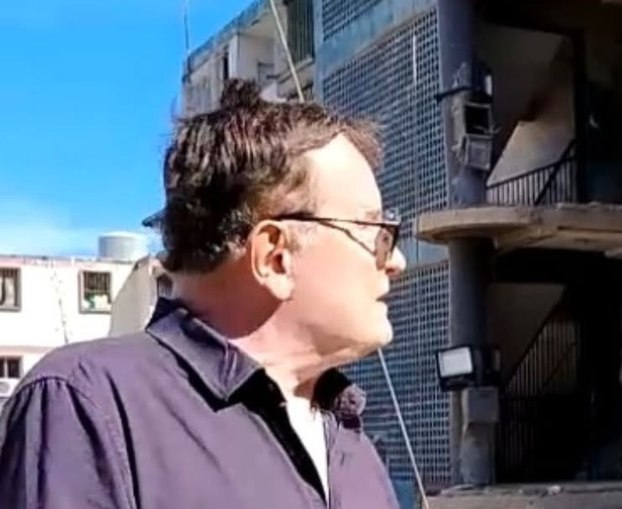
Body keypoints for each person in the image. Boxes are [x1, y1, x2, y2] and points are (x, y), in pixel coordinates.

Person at [0, 79, 406, 509]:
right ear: (275, 256)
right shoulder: (88, 406)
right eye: (376, 233)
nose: (396, 260)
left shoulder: (350, 443)